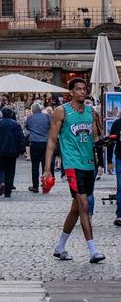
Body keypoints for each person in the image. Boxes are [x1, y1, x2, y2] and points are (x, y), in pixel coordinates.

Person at [43, 78, 105, 263]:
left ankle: (60, 247)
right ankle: (93, 250)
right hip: (72, 165)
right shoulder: (62, 112)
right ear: (70, 92)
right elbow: (52, 141)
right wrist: (48, 169)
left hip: (88, 164)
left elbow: (95, 138)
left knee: (76, 209)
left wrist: (105, 142)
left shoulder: (90, 112)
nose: (82, 92)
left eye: (84, 89)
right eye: (77, 89)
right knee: (85, 205)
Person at [0, 105, 25, 197]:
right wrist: (21, 149)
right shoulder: (16, 124)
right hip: (12, 152)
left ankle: (1, 182)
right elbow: (21, 138)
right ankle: (8, 191)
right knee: (10, 171)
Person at [25, 102, 52, 193]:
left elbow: (27, 127)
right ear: (41, 109)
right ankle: (45, 185)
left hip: (34, 143)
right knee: (45, 165)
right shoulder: (47, 116)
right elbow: (51, 126)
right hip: (45, 143)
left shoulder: (29, 118)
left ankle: (35, 186)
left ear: (32, 110)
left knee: (35, 166)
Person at [107, 113, 121, 227]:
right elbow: (110, 143)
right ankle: (120, 214)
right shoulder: (117, 124)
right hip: (120, 158)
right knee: (120, 187)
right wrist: (109, 161)